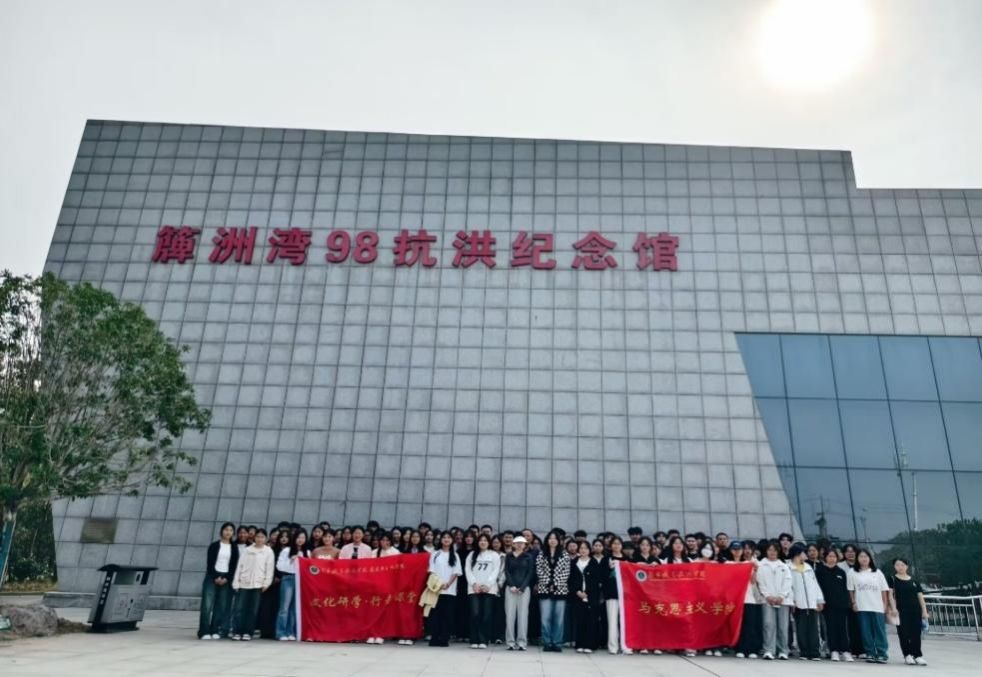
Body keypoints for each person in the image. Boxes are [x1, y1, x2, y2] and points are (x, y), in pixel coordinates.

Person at [848, 549, 891, 664]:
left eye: (866, 556)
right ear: (857, 558)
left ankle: (882, 653)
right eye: (861, 556)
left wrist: (885, 604)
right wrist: (853, 603)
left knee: (879, 631)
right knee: (865, 631)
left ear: (870, 558)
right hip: (862, 606)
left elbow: (884, 590)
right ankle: (870, 652)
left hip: (877, 606)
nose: (864, 559)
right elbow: (851, 590)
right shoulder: (852, 572)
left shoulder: (877, 572)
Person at [198, 522, 239, 640]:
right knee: (207, 605)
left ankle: (215, 629)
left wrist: (226, 578)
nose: (228, 532)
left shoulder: (234, 547)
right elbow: (210, 563)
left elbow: (233, 565)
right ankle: (204, 631)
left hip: (226, 579)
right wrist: (216, 576)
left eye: (231, 530)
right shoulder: (214, 545)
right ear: (221, 531)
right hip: (212, 577)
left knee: (220, 606)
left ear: (233, 533)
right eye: (226, 529)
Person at [231, 528, 274, 641]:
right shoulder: (247, 550)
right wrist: (236, 582)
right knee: (239, 608)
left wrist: (266, 583)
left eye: (262, 537)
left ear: (266, 539)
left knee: (253, 610)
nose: (260, 539)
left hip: (258, 584)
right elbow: (239, 566)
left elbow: (269, 568)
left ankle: (248, 632)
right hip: (244, 583)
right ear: (254, 538)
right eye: (258, 536)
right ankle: (237, 631)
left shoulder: (268, 551)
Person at [888, 558, 929, 666]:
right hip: (901, 610)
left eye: (902, 565)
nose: (900, 567)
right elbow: (890, 595)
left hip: (915, 610)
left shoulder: (914, 581)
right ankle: (907, 655)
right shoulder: (892, 579)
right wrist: (893, 608)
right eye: (897, 565)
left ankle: (917, 655)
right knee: (903, 633)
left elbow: (920, 597)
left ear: (907, 566)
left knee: (916, 633)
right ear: (894, 567)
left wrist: (924, 611)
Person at [536, 529, 571, 652]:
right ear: (547, 540)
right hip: (544, 589)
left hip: (560, 590)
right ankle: (547, 642)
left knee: (558, 619)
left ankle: (557, 642)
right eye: (550, 538)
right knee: (545, 618)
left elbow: (566, 572)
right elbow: (539, 570)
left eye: (555, 538)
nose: (552, 540)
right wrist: (548, 583)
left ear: (559, 541)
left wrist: (555, 584)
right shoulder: (542, 554)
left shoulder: (564, 554)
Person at [815, 548, 853, 661]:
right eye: (830, 556)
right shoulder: (820, 571)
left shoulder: (841, 572)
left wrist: (847, 603)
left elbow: (845, 589)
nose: (832, 559)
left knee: (843, 628)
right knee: (831, 628)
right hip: (827, 605)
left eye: (834, 556)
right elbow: (817, 588)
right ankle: (834, 650)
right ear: (825, 558)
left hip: (841, 605)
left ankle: (845, 651)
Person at [567, 540, 604, 654]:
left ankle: (590, 645)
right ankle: (580, 644)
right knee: (580, 620)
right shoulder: (574, 562)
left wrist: (587, 592)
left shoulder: (593, 562)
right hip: (577, 595)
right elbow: (571, 580)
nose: (583, 550)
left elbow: (596, 580)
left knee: (591, 620)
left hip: (591, 596)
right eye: (581, 548)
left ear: (589, 550)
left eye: (586, 548)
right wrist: (577, 591)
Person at [788, 543, 824, 660]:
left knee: (814, 628)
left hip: (812, 603)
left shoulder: (808, 567)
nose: (806, 554)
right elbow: (789, 586)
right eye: (804, 552)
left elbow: (815, 584)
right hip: (799, 603)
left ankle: (814, 652)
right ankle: (804, 651)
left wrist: (819, 599)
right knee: (801, 628)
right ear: (797, 554)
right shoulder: (789, 568)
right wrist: (792, 601)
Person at [757, 541, 792, 660]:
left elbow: (788, 581)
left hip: (782, 600)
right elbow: (760, 582)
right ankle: (769, 650)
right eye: (770, 550)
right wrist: (767, 596)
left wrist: (781, 596)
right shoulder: (761, 565)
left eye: (775, 550)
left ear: (778, 551)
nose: (772, 552)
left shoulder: (783, 566)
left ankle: (783, 650)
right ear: (766, 551)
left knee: (783, 626)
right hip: (767, 600)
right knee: (768, 625)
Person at [465, 533, 501, 649]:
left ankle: (484, 640)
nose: (483, 542)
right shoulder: (472, 555)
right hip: (474, 588)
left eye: (485, 540)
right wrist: (474, 584)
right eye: (481, 540)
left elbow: (495, 571)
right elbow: (468, 570)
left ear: (489, 542)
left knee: (486, 615)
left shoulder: (494, 555)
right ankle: (474, 639)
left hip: (489, 589)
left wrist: (488, 584)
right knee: (475, 614)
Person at [428, 532, 462, 647]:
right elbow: (432, 570)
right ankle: (434, 638)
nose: (446, 539)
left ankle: (444, 638)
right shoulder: (435, 554)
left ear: (452, 540)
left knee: (447, 615)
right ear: (440, 540)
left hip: (450, 590)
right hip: (436, 589)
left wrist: (448, 584)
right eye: (444, 537)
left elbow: (456, 572)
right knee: (435, 614)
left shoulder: (455, 555)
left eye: (448, 537)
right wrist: (438, 584)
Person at [275, 528, 309, 641]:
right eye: (298, 537)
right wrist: (291, 560)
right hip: (288, 578)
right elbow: (279, 566)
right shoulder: (287, 550)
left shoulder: (307, 552)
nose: (300, 540)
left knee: (294, 608)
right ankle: (281, 632)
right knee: (284, 607)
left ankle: (290, 631)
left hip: (301, 580)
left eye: (303, 537)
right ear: (294, 538)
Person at [730, 541, 762, 659]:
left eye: (740, 549)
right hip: (737, 599)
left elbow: (753, 582)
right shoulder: (732, 564)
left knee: (750, 625)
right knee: (740, 626)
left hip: (749, 598)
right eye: (735, 549)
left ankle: (751, 649)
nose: (738, 551)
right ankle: (740, 649)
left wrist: (755, 570)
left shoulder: (750, 563)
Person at [503, 535, 534, 651]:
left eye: (522, 543)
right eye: (517, 543)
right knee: (510, 616)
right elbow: (506, 571)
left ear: (525, 545)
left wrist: (523, 587)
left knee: (523, 616)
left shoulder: (528, 557)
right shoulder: (509, 556)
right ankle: (510, 642)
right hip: (510, 589)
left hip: (524, 590)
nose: (520, 545)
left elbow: (530, 573)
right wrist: (511, 585)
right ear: (513, 544)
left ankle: (522, 642)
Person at [604, 536, 630, 655]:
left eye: (619, 543)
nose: (616, 545)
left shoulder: (627, 559)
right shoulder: (606, 559)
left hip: (626, 595)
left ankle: (626, 646)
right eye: (614, 543)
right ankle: (613, 647)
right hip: (612, 594)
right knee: (612, 621)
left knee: (626, 621)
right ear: (611, 546)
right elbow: (602, 576)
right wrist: (609, 568)